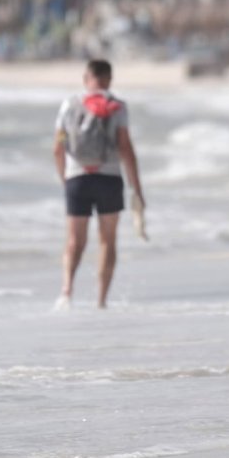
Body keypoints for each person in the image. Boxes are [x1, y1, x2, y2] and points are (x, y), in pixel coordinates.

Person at [53, 60, 144, 309]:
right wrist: (137, 188)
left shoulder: (69, 105)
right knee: (107, 240)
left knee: (74, 240)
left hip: (77, 179)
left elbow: (58, 147)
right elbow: (125, 147)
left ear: (86, 78)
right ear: (109, 79)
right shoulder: (117, 107)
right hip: (109, 178)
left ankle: (67, 291)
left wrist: (66, 179)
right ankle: (101, 300)